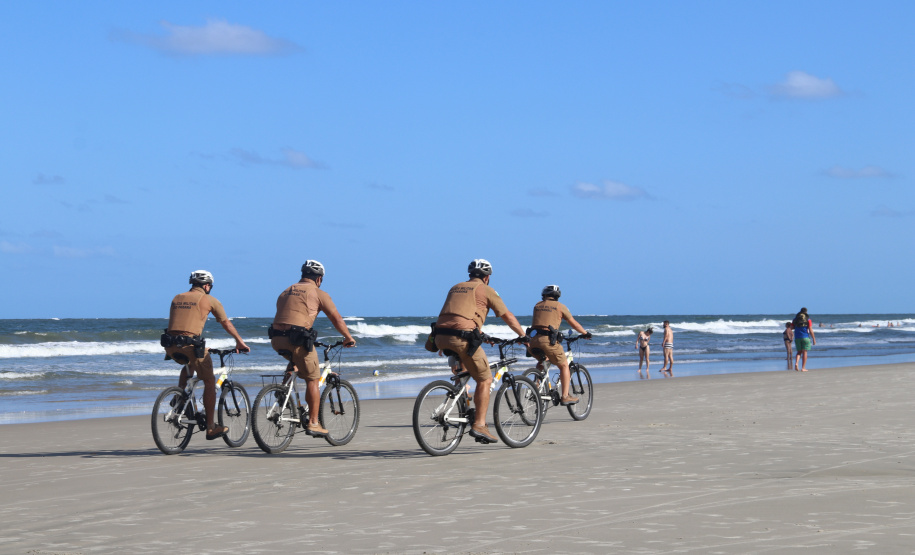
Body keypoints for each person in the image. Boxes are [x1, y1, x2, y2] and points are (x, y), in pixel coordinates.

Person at [431, 259, 526, 444]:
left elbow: (460, 314)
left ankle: (464, 404)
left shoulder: (456, 287)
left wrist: (482, 335)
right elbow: (507, 315)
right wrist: (523, 335)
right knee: (485, 379)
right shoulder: (486, 289)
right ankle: (480, 425)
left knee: (466, 372)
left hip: (440, 336)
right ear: (487, 277)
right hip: (462, 338)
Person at [269, 260, 356, 437]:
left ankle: (283, 390)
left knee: (295, 360)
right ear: (319, 279)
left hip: (276, 339)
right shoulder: (318, 293)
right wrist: (348, 337)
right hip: (298, 339)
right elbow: (336, 318)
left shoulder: (286, 291)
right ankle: (314, 423)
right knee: (313, 379)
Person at [162, 270, 250, 440]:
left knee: (190, 364)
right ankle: (211, 427)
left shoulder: (177, 297)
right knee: (209, 381)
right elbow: (225, 323)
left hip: (170, 346)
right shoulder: (209, 300)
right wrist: (239, 341)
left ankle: (180, 396)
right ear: (207, 285)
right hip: (190, 346)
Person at [527, 285, 592, 405]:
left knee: (543, 360)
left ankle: (535, 385)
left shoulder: (537, 305)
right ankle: (565, 396)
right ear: (557, 296)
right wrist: (585, 333)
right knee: (563, 366)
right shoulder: (560, 306)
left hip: (532, 341)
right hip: (547, 341)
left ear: (544, 295)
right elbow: (574, 323)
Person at [792, 307, 816, 371]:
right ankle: (803, 368)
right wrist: (813, 338)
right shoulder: (808, 320)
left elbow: (791, 327)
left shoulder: (795, 319)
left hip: (797, 337)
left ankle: (796, 363)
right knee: (805, 352)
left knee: (799, 352)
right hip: (805, 337)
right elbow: (810, 330)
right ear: (806, 312)